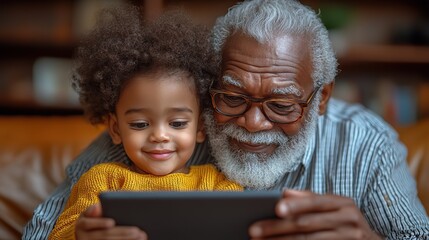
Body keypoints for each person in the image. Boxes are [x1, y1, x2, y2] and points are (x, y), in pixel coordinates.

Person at [24, 0, 429, 239]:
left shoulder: (367, 146)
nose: (253, 122)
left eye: (282, 104)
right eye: (232, 97)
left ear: (321, 97)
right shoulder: (154, 136)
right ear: (206, 87)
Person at [46, 6, 242, 240]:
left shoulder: (217, 185)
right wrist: (79, 235)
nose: (159, 135)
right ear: (116, 129)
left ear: (200, 127)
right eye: (140, 124)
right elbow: (58, 234)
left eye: (177, 123)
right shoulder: (102, 181)